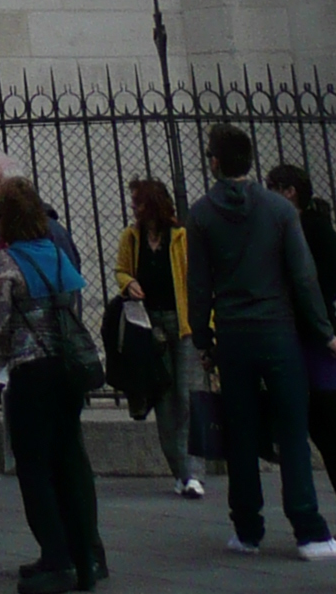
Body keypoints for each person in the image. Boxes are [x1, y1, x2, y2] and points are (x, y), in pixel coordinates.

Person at [186, 124, 336, 563]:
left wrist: (203, 340)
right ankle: (308, 529)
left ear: (215, 162)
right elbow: (303, 277)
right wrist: (325, 333)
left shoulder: (202, 213)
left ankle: (246, 529)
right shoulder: (280, 211)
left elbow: (199, 285)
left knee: (241, 433)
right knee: (291, 429)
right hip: (277, 329)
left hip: (232, 333)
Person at [0, 175, 100, 594]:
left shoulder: (9, 261)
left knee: (33, 466)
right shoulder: (54, 252)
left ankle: (55, 558)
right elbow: (72, 298)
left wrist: (3, 346)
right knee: (69, 459)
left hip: (30, 371)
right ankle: (85, 556)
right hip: (67, 370)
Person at [266, 163, 336, 554]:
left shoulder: (311, 228)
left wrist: (313, 313)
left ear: (290, 191)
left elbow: (332, 277)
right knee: (326, 437)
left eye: (272, 188)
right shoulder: (293, 228)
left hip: (323, 341)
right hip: (307, 339)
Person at [113, 176, 203, 496]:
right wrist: (127, 284)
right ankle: (181, 471)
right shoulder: (132, 237)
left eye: (138, 201)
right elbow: (121, 270)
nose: (134, 207)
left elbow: (197, 278)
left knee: (188, 395)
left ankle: (194, 470)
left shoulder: (180, 236)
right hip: (152, 326)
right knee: (165, 399)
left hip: (183, 323)